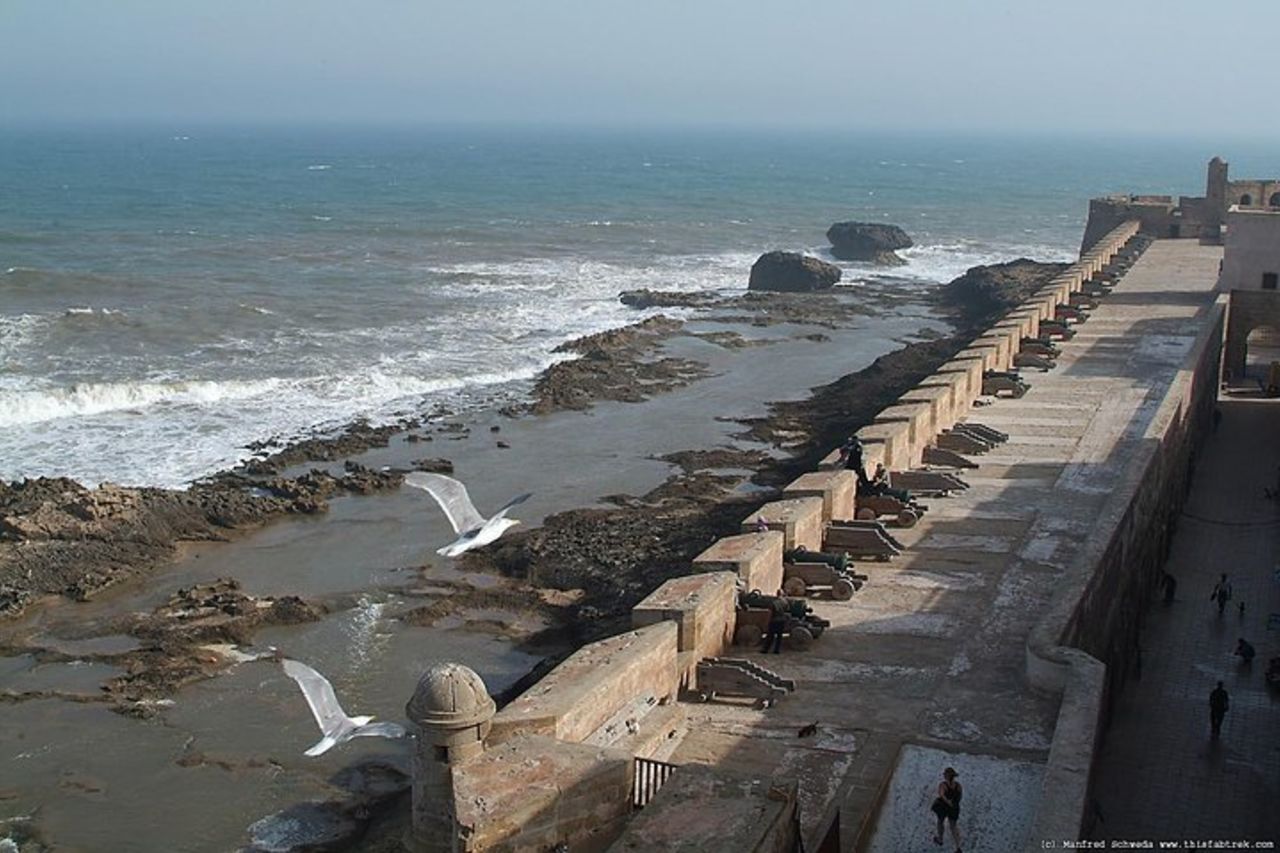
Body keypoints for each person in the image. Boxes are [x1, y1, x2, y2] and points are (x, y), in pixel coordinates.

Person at [930, 767, 962, 851]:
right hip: (954, 808)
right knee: (953, 827)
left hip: (943, 808)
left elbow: (942, 795)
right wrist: (953, 804)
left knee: (940, 822)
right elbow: (959, 797)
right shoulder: (958, 786)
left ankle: (940, 839)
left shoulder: (943, 785)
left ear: (946, 776)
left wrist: (948, 802)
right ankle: (958, 847)